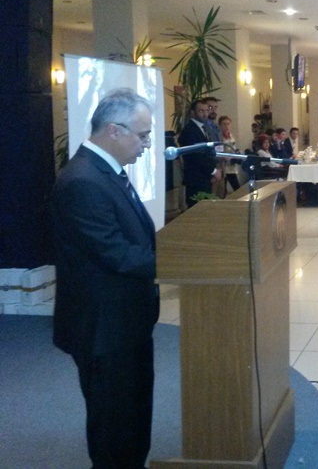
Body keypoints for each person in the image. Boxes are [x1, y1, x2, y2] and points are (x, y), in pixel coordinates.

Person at [52, 88, 159, 468]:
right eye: (143, 135)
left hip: (126, 323)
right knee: (114, 426)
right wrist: (179, 263)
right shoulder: (82, 180)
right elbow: (115, 253)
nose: (148, 144)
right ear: (114, 131)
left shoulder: (106, 172)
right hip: (103, 329)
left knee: (133, 416)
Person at [178, 99, 221, 208]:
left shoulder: (204, 128)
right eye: (201, 111)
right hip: (196, 178)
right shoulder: (189, 130)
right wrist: (213, 170)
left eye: (206, 111)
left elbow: (208, 152)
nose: (205, 114)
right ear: (193, 112)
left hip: (204, 176)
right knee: (197, 209)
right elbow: (196, 156)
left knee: (206, 208)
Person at [218, 115, 241, 193]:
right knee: (222, 189)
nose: (226, 126)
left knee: (236, 187)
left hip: (231, 165)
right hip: (223, 166)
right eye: (224, 124)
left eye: (228, 124)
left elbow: (233, 147)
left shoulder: (231, 136)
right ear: (220, 125)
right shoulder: (219, 137)